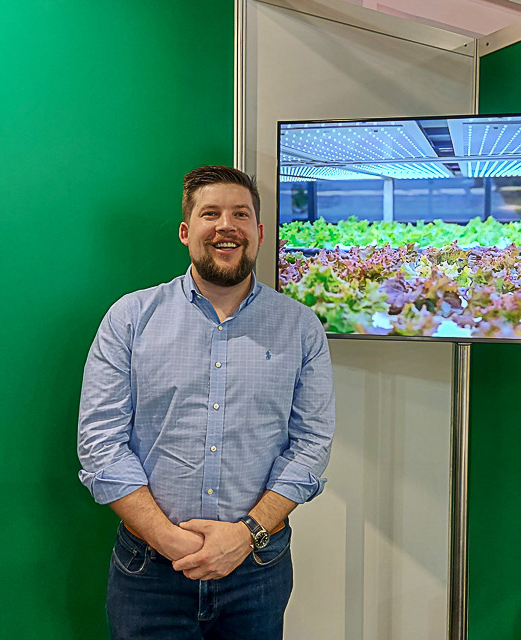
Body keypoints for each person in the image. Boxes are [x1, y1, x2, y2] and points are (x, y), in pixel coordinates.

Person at [77, 165, 336, 639]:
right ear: (185, 231)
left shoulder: (301, 327)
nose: (226, 226)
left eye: (240, 214)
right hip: (149, 571)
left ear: (259, 233)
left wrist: (244, 536)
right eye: (210, 213)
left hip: (257, 568)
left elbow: (311, 445)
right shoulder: (130, 318)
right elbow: (100, 444)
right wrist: (171, 541)